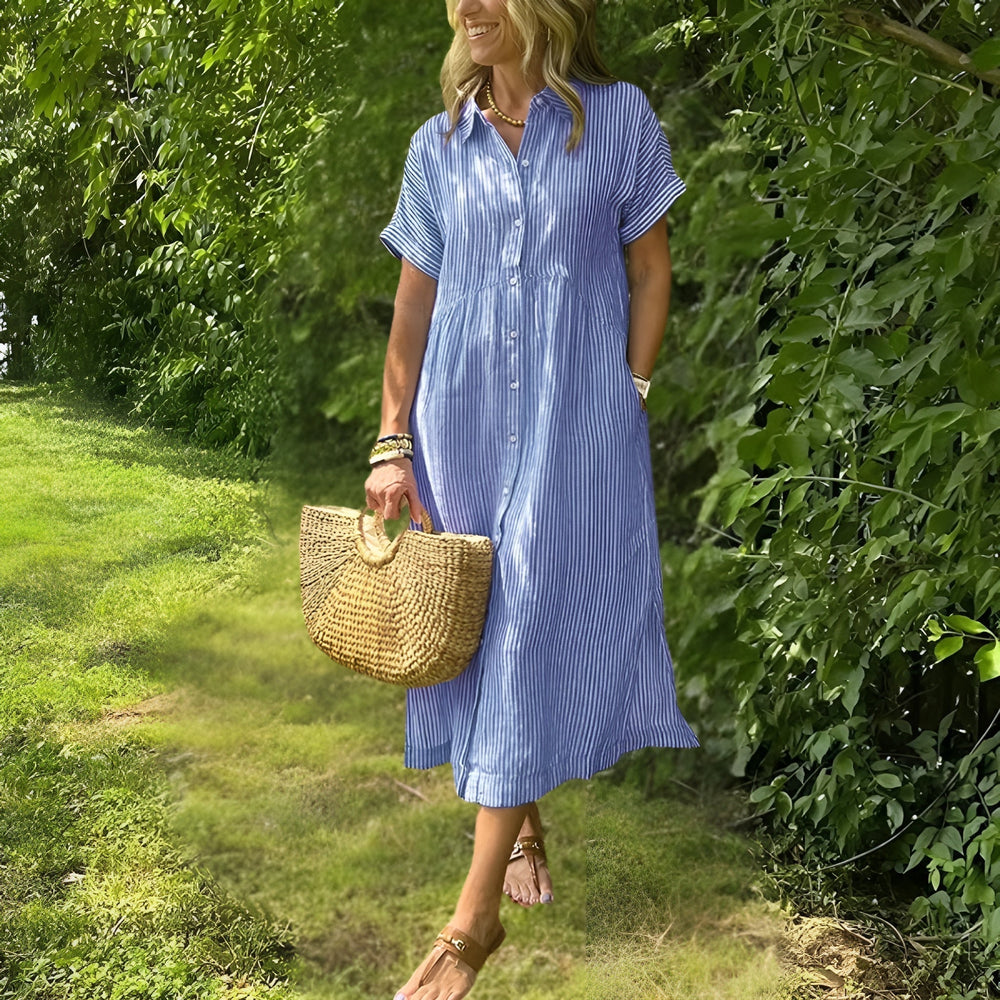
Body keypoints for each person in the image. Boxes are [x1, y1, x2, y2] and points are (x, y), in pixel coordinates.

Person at [364, 0, 701, 996]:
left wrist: (627, 392)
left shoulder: (618, 119)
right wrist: (391, 442)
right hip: (460, 426)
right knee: (482, 630)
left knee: (524, 626)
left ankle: (473, 920)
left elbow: (651, 270)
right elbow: (413, 307)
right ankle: (522, 821)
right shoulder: (437, 148)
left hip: (573, 428)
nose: (466, 7)